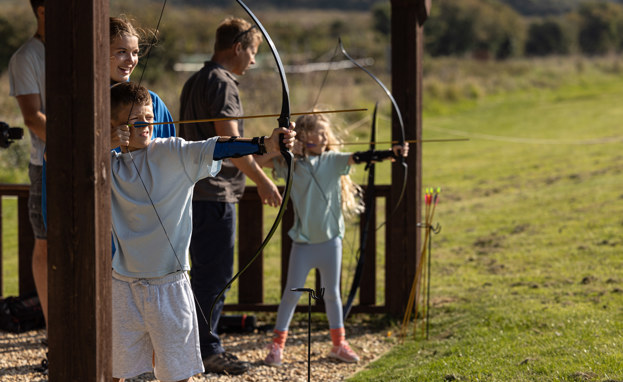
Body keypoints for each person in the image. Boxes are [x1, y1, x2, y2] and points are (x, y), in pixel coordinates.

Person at [109, 81, 295, 382]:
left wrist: (265, 145)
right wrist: (105, 141)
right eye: (136, 122)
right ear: (114, 127)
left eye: (149, 118)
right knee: (117, 371)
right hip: (123, 284)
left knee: (177, 372)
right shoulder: (108, 162)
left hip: (168, 283)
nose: (146, 126)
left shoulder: (172, 152)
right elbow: (62, 158)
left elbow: (218, 146)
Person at [255, 112, 408, 366]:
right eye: (320, 133)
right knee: (292, 294)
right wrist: (285, 149)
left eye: (326, 133)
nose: (325, 137)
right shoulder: (289, 163)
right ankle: (276, 347)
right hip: (303, 244)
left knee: (332, 295)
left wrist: (392, 153)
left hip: (330, 242)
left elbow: (361, 157)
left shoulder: (332, 161)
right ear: (304, 137)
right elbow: (256, 162)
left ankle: (339, 344)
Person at [178, 17, 283, 375]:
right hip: (215, 194)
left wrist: (273, 152)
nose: (253, 60)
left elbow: (220, 147)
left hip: (196, 191)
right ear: (237, 47)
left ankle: (193, 346)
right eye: (252, 51)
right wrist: (264, 182)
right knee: (214, 277)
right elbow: (229, 147)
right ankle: (207, 350)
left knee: (205, 275)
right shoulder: (222, 83)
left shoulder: (196, 80)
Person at [8, 0, 48, 332]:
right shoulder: (26, 57)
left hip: (98, 162)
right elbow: (33, 119)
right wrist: (83, 142)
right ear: (44, 10)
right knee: (46, 243)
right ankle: (55, 330)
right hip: (47, 164)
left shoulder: (84, 48)